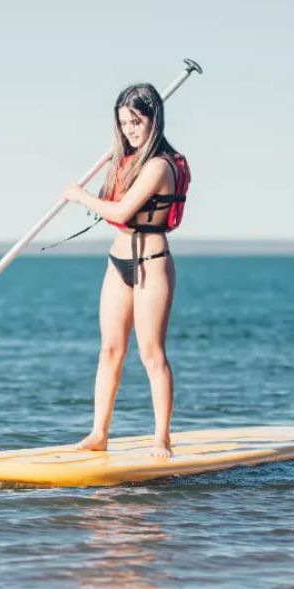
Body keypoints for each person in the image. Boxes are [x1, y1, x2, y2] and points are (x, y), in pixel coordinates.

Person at [62, 84, 191, 459]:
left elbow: (118, 213)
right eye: (123, 124)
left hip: (152, 264)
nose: (130, 130)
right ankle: (98, 433)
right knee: (110, 350)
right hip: (116, 263)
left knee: (152, 354)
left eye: (136, 122)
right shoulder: (127, 161)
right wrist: (113, 167)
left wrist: (79, 195)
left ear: (154, 119)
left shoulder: (160, 166)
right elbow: (114, 207)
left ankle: (161, 438)